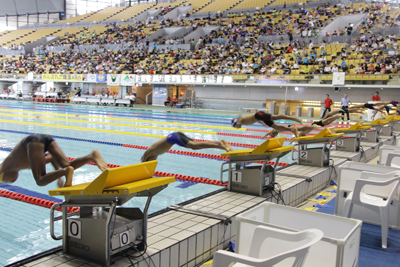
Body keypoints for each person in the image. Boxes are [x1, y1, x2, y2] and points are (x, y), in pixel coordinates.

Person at [0, 134, 107, 187]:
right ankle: (91, 156)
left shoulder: (6, 165)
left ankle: (66, 171)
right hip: (46, 139)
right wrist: (59, 177)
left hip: (32, 141)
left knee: (40, 180)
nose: (9, 181)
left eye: (5, 180)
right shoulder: (25, 165)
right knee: (67, 165)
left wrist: (63, 173)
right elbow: (51, 159)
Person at [141, 132, 233, 162]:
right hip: (175, 136)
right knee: (195, 144)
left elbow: (144, 161)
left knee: (193, 146)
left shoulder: (149, 153)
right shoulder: (154, 155)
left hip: (173, 138)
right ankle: (220, 144)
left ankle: (218, 144)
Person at [263, 114, 342, 139]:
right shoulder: (276, 130)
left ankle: (336, 116)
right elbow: (269, 133)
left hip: (313, 124)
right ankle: (336, 116)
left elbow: (295, 130)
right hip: (311, 126)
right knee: (326, 122)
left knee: (325, 122)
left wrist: (295, 137)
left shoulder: (276, 129)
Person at [231, 112, 301, 137]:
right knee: (276, 127)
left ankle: (293, 118)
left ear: (236, 123)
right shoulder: (243, 122)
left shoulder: (241, 121)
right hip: (259, 117)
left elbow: (238, 120)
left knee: (275, 117)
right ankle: (292, 129)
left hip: (259, 115)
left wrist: (236, 122)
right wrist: (262, 123)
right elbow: (254, 119)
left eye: (236, 127)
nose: (237, 128)